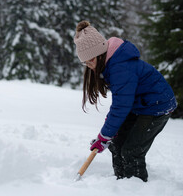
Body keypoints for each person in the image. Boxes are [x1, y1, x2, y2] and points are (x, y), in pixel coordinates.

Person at [73, 20, 177, 182]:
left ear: (99, 54)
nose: (90, 66)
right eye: (85, 63)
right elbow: (121, 103)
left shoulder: (120, 67)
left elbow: (121, 106)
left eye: (91, 61)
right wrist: (107, 134)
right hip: (139, 105)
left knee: (131, 151)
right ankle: (121, 182)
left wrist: (105, 135)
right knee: (116, 144)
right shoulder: (112, 63)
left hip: (157, 106)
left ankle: (136, 188)